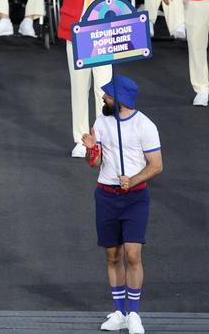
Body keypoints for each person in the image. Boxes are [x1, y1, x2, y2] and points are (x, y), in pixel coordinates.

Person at [81, 75, 163, 334]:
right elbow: (94, 164)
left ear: (120, 100)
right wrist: (92, 149)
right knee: (112, 255)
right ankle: (119, 311)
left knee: (132, 254)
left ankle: (134, 315)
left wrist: (133, 179)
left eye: (107, 95)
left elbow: (157, 166)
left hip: (135, 198)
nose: (102, 97)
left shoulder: (145, 126)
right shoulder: (102, 122)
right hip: (105, 195)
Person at [48, 0, 122, 157]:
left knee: (103, 88)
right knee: (79, 87)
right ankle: (82, 139)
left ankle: (102, 139)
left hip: (103, 31)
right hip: (77, 30)